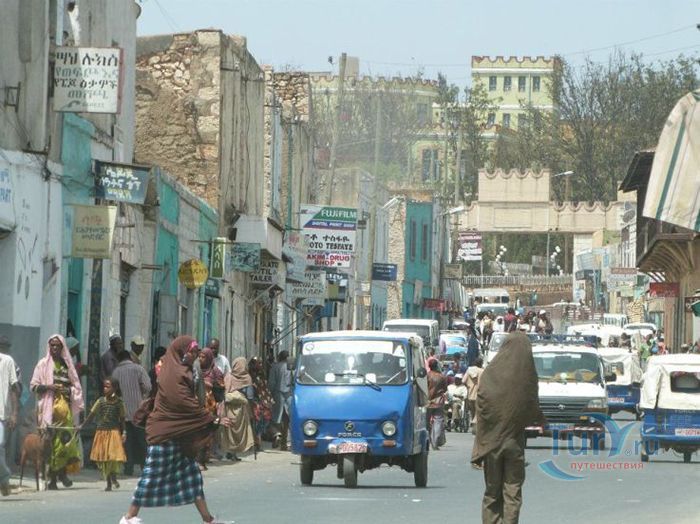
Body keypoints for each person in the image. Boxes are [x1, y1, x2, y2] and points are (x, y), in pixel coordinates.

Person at [120, 335, 232, 524]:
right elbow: (184, 403)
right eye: (191, 352)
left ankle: (208, 519)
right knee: (150, 476)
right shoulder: (172, 374)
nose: (194, 356)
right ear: (180, 352)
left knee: (193, 477)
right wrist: (212, 418)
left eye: (196, 352)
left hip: (180, 434)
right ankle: (128, 517)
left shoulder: (184, 371)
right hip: (164, 434)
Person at [471, 333, 545, 524]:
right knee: (512, 492)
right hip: (514, 442)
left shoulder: (490, 373)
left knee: (492, 493)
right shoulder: (527, 377)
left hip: (491, 444)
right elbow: (532, 407)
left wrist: (480, 445)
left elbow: (482, 408)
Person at [30, 334, 84, 490]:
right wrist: (49, 387)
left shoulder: (68, 366)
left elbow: (76, 387)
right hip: (48, 411)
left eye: (57, 345)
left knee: (66, 443)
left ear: (62, 348)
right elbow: (34, 386)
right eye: (52, 345)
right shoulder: (42, 365)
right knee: (50, 445)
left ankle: (62, 473)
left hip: (64, 411)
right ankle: (52, 478)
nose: (54, 348)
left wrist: (68, 391)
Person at [82, 377, 127, 491]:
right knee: (104, 458)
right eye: (104, 386)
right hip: (101, 432)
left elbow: (122, 419)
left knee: (113, 457)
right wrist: (82, 426)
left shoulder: (119, 402)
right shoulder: (100, 401)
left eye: (108, 386)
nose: (105, 389)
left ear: (115, 388)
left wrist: (124, 432)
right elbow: (91, 415)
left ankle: (113, 476)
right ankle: (109, 482)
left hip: (114, 432)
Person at [111, 350, 151, 476]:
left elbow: (113, 391)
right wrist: (142, 395)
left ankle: (128, 468)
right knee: (142, 441)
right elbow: (148, 387)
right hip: (139, 412)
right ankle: (145, 466)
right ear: (130, 358)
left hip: (123, 412)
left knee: (127, 442)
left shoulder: (116, 372)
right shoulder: (139, 369)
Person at [218, 357, 255, 459]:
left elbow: (224, 391)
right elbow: (250, 396)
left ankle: (230, 451)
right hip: (241, 409)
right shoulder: (247, 378)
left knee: (229, 430)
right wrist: (251, 411)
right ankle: (234, 452)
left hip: (228, 408)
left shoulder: (228, 376)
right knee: (239, 431)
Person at [198, 348, 225, 467]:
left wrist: (209, 385)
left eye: (203, 357)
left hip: (210, 405)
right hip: (198, 404)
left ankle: (205, 456)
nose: (200, 359)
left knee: (208, 431)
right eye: (199, 356)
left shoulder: (215, 371)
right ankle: (199, 457)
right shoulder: (195, 369)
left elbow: (221, 387)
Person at [0, 335, 19, 496]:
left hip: (1, 414)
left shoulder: (7, 361)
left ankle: (4, 478)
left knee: (0, 445)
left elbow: (14, 388)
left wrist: (14, 413)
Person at [248, 357, 275, 451]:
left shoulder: (262, 374)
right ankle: (256, 441)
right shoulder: (249, 376)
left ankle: (258, 438)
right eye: (258, 363)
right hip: (254, 401)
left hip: (264, 400)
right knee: (256, 421)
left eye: (261, 363)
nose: (260, 365)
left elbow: (264, 387)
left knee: (266, 420)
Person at [268, 350, 291, 450]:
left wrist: (270, 394)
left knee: (275, 419)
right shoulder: (292, 367)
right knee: (288, 420)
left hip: (278, 395)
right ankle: (286, 443)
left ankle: (277, 435)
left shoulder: (275, 367)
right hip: (290, 395)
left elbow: (271, 383)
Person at [427, 357, 448, 450]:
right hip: (438, 401)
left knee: (425, 422)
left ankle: (426, 440)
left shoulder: (426, 376)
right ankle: (434, 442)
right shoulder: (442, 377)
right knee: (438, 422)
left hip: (427, 402)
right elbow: (445, 389)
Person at [465, 357, 484, 435]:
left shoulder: (469, 370)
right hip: (479, 394)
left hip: (470, 394)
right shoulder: (482, 371)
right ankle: (474, 423)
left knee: (472, 410)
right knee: (477, 411)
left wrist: (469, 386)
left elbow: (463, 380)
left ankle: (473, 423)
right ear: (481, 363)